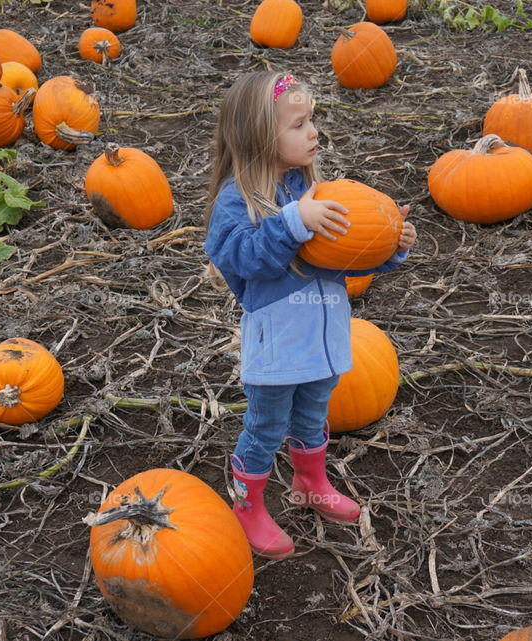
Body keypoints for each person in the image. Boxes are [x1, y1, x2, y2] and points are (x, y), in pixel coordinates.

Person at [203, 71, 417, 559]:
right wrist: (293, 223)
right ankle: (248, 505)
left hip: (324, 337)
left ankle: (309, 482)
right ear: (259, 137)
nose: (313, 132)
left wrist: (390, 247)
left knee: (314, 415)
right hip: (277, 344)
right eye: (298, 124)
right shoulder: (237, 201)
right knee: (265, 428)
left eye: (312, 120)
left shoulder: (313, 190)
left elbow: (345, 256)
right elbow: (242, 258)